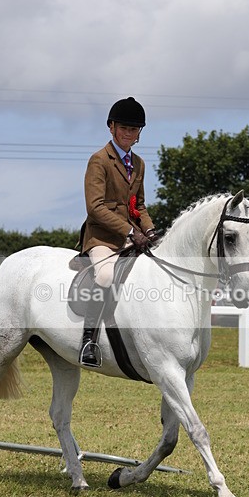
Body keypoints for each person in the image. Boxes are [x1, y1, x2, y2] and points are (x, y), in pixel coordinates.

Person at [78, 96, 157, 367]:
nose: (128, 133)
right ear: (111, 127)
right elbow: (95, 207)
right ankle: (88, 341)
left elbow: (140, 206)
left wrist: (150, 230)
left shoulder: (139, 164)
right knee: (105, 274)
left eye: (134, 130)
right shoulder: (99, 160)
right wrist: (129, 231)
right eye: (124, 128)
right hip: (101, 238)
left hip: (131, 238)